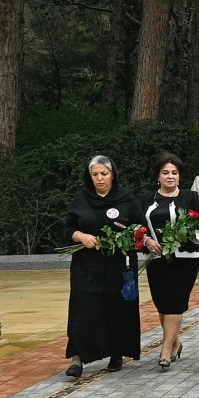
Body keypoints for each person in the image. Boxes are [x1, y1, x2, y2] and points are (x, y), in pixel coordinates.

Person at [63, 156, 148, 378]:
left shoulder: (127, 199)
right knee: (82, 311)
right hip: (86, 268)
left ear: (113, 175)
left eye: (104, 174)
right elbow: (67, 229)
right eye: (95, 174)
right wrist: (80, 236)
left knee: (115, 310)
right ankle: (77, 358)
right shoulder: (81, 199)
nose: (99, 179)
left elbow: (141, 229)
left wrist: (136, 238)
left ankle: (116, 354)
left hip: (118, 266)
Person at [139, 153, 199, 369]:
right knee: (161, 303)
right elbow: (138, 228)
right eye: (165, 173)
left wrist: (184, 235)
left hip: (185, 259)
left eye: (174, 173)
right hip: (157, 258)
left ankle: (165, 350)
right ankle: (175, 341)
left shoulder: (190, 197)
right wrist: (147, 240)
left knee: (175, 302)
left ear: (180, 176)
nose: (170, 177)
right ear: (158, 176)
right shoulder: (147, 199)